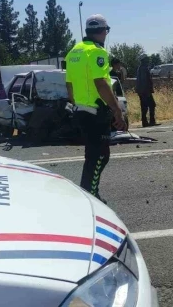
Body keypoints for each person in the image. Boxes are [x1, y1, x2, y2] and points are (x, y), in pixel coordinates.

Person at [65, 14, 127, 203]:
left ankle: (88, 193)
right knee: (100, 156)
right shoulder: (97, 52)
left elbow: (69, 84)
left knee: (92, 155)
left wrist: (77, 103)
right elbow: (101, 83)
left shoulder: (74, 51)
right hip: (95, 113)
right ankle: (91, 196)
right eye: (106, 31)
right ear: (102, 31)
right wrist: (117, 109)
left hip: (81, 111)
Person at [136, 54, 157, 127]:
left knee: (146, 106)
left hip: (143, 91)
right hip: (144, 91)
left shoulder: (141, 68)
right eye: (147, 59)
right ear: (143, 60)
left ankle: (148, 121)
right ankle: (149, 121)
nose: (148, 60)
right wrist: (147, 91)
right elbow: (144, 81)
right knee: (150, 105)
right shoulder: (143, 68)